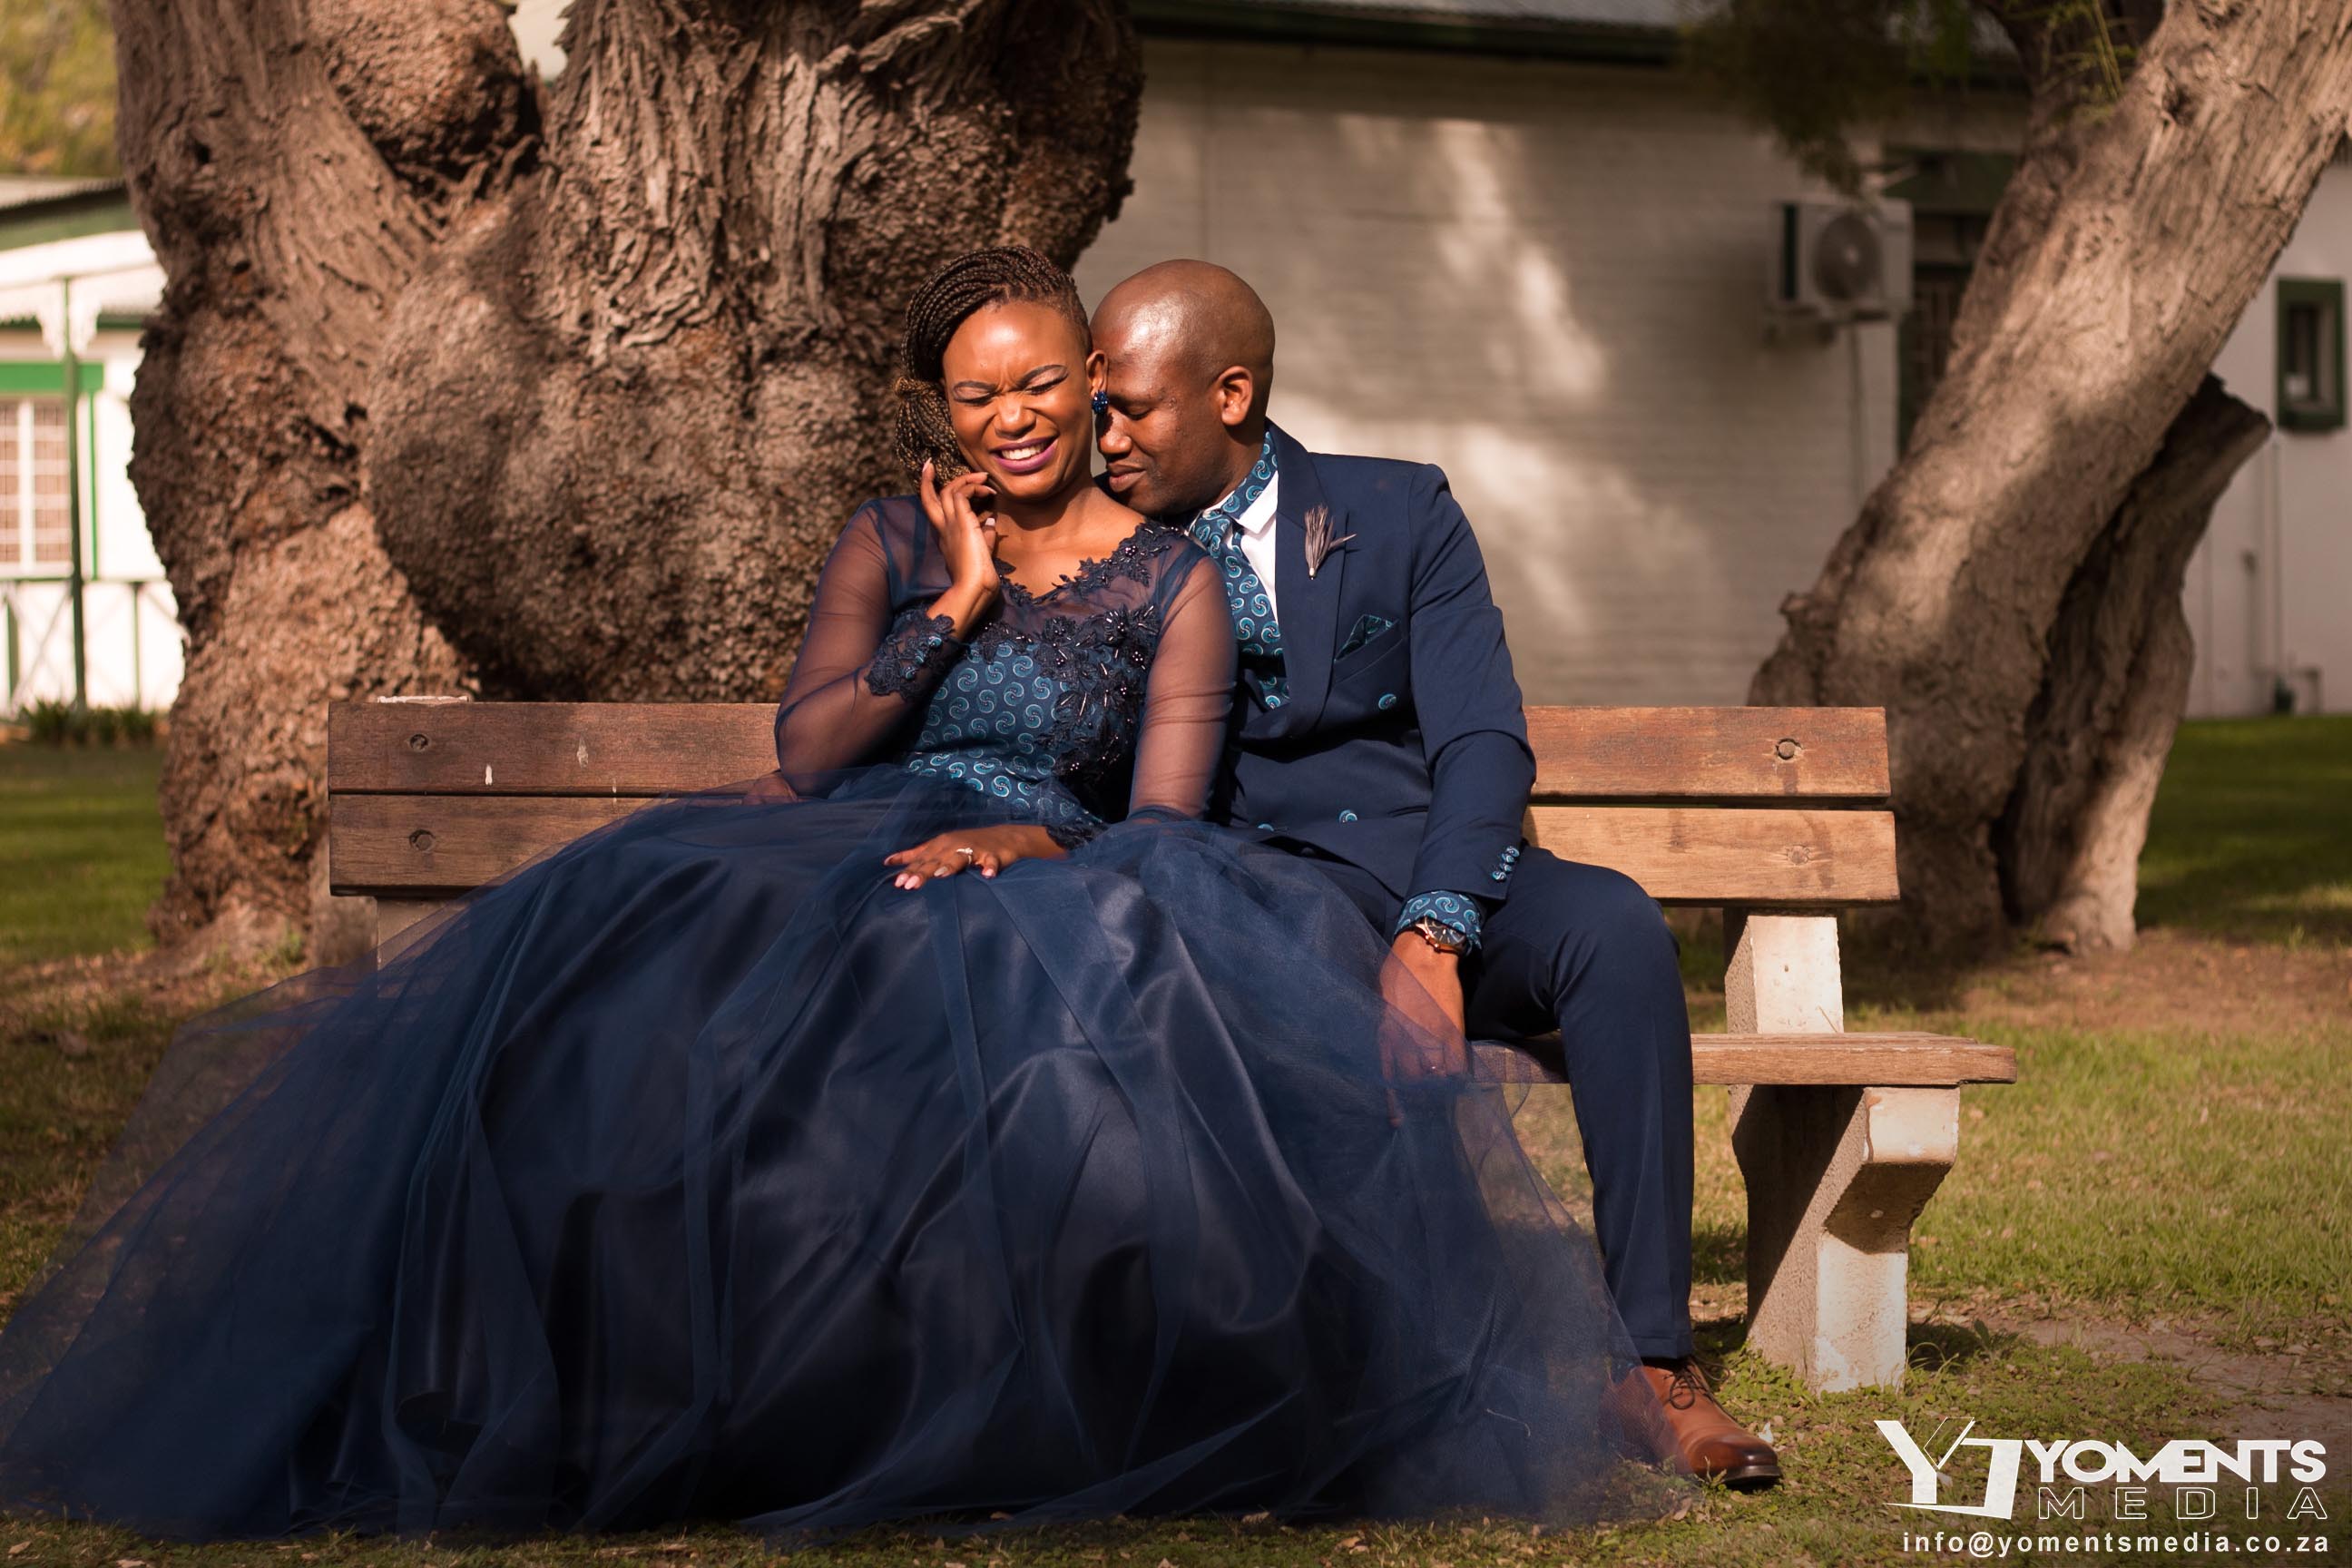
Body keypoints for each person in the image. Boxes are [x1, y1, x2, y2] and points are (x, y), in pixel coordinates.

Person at [0, 249, 1686, 1544]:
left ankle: (994, 1408)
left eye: (1057, 387)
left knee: (1031, 1034)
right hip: (861, 834)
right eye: (980, 394)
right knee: (642, 1001)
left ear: (1114, 386)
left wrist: (1041, 850)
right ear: (940, 411)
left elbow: (1176, 814)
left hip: (1065, 869)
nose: (1029, 419)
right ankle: (591, 1384)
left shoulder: (1185, 568)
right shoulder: (891, 538)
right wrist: (954, 602)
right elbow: (809, 752)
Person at [1089, 260, 1779, 1487]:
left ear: (1231, 394)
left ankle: (1649, 1365)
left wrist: (1438, 926)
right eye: (1100, 410)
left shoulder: (1399, 510)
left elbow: (1482, 738)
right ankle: (1366, 1370)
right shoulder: (1102, 545)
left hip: (1422, 870)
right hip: (1253, 897)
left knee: (1615, 927)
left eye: (1132, 408)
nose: (1106, 439)